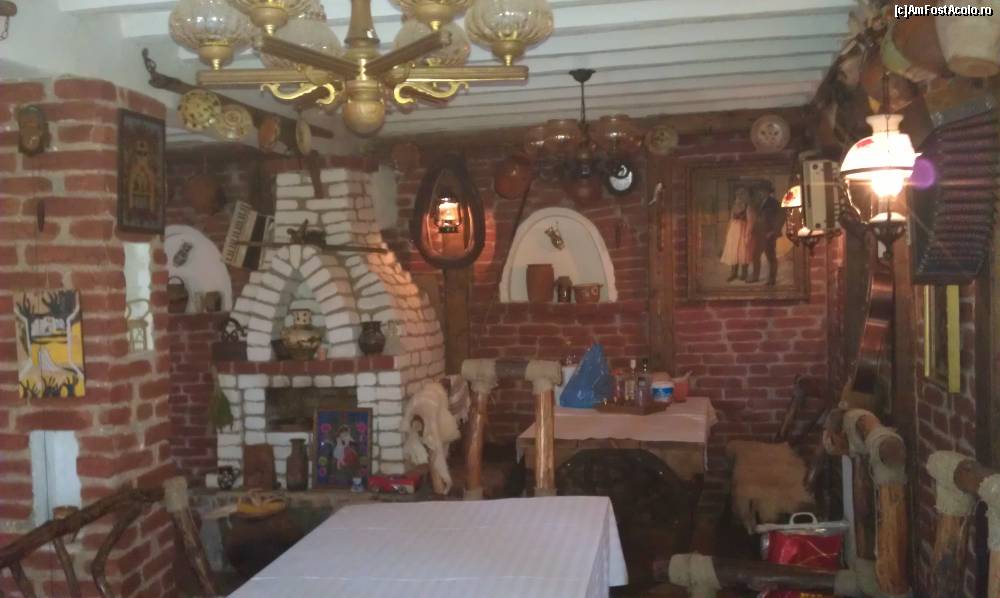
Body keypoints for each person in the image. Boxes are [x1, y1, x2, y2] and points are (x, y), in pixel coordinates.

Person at [746, 183, 785, 286]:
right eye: (760, 191)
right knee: (755, 255)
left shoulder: (774, 203)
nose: (760, 192)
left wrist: (773, 231)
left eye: (763, 190)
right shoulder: (759, 202)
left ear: (768, 191)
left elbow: (781, 217)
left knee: (771, 257)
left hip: (769, 234)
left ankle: (772, 280)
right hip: (759, 234)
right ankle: (755, 277)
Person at [720, 185, 751, 281]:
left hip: (742, 229)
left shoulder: (747, 206)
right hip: (734, 231)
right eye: (737, 195)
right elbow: (731, 219)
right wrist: (728, 231)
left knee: (742, 251)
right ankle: (733, 273)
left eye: (741, 195)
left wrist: (747, 233)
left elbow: (749, 219)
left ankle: (744, 273)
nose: (739, 197)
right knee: (733, 251)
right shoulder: (734, 206)